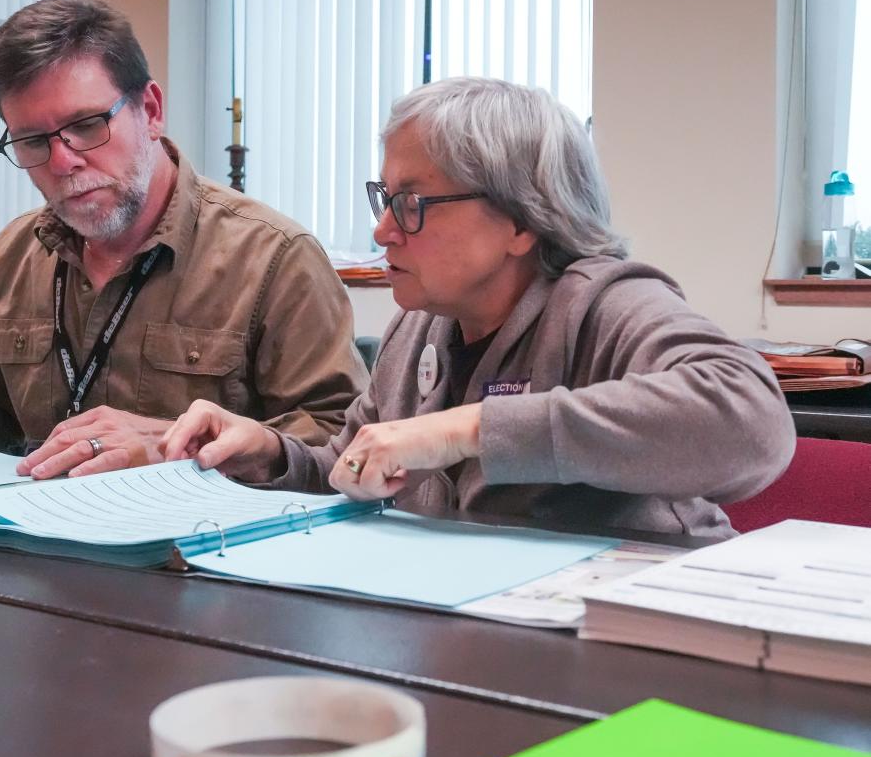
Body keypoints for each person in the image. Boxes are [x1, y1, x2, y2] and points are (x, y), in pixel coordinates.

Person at [163, 77, 795, 537]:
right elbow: (356, 465)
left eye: (412, 203)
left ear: (521, 220)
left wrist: (466, 429)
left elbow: (752, 422)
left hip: (647, 644)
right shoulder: (420, 323)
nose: (383, 230)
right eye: (384, 197)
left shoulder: (608, 303)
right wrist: (271, 454)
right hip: (491, 634)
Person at [0, 0, 368, 475]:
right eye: (32, 141)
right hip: (35, 550)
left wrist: (175, 447)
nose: (62, 162)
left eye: (85, 126)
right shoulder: (19, 250)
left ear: (151, 111)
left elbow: (343, 443)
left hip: (203, 572)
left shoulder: (272, 258)